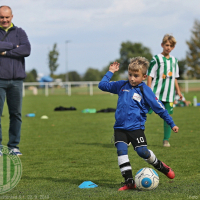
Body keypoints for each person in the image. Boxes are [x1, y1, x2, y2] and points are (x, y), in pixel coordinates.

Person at [98, 57, 179, 191]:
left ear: (144, 76)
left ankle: (160, 166)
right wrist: (110, 72)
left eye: (136, 76)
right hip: (119, 128)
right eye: (130, 75)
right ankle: (129, 182)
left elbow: (160, 108)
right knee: (121, 151)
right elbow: (102, 85)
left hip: (136, 129)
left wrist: (172, 123)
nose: (132, 78)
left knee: (142, 152)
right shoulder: (122, 85)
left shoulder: (145, 90)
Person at [0, 5, 31, 156]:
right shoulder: (14, 38)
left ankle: (13, 146)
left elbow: (26, 50)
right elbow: (19, 48)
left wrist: (4, 51)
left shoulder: (20, 32)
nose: (4, 20)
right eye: (1, 17)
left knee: (16, 114)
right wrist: (13, 46)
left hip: (16, 81)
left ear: (12, 17)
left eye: (7, 17)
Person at [147, 34, 182, 147]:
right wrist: (148, 90)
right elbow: (149, 75)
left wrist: (179, 92)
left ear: (173, 47)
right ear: (162, 45)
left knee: (168, 117)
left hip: (169, 95)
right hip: (155, 93)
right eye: (166, 45)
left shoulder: (174, 61)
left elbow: (175, 78)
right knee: (143, 113)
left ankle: (166, 140)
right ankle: (130, 135)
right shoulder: (156, 58)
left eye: (171, 46)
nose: (168, 47)